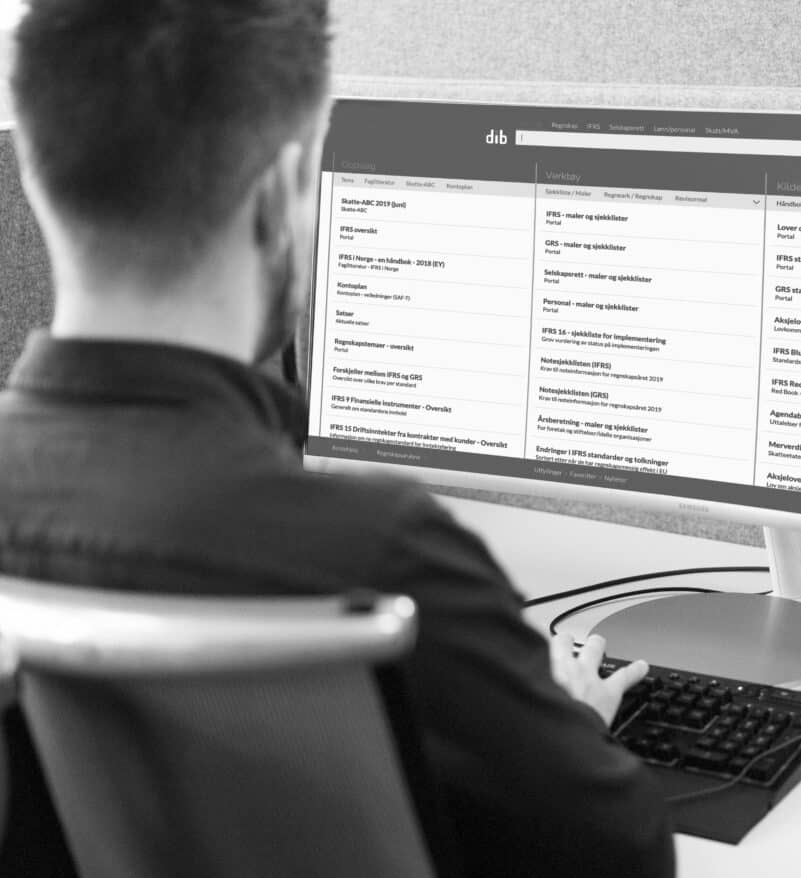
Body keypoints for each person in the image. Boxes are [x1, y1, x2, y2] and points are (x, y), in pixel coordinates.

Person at [0, 2, 675, 876]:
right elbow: (623, 860)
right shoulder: (380, 552)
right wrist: (570, 715)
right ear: (284, 191)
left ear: (34, 174)